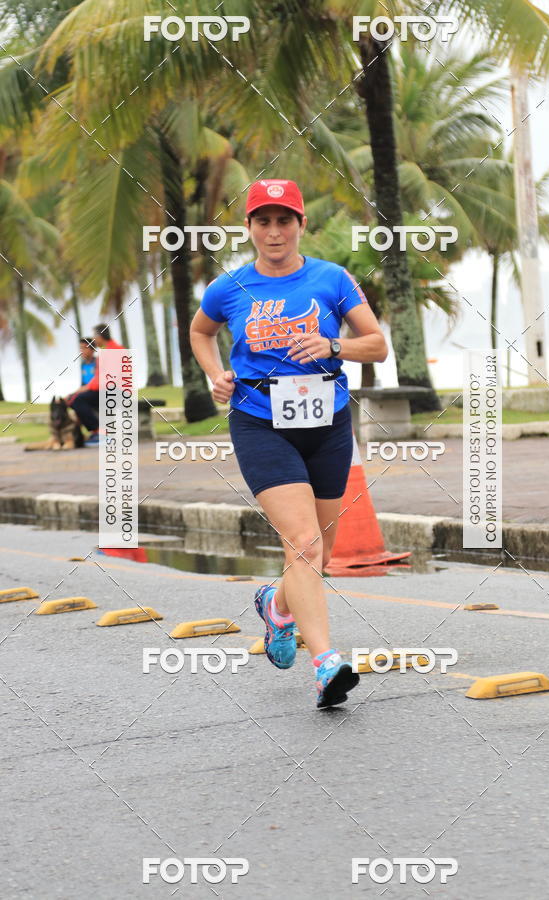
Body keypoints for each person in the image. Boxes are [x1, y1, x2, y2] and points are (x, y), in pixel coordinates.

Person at [190, 179, 388, 708]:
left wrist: (332, 344)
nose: (274, 231)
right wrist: (216, 374)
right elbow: (201, 332)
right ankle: (326, 664)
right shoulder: (229, 287)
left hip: (327, 423)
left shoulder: (332, 278)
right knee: (302, 543)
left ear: (301, 224)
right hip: (260, 422)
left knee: (318, 554)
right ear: (249, 227)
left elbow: (377, 346)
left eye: (284, 220)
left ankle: (277, 607)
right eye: (263, 221)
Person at [67, 324, 124, 445]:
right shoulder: (107, 350)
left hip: (115, 392)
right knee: (75, 399)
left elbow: (109, 379)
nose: (93, 339)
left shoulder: (113, 351)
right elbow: (100, 378)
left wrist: (87, 388)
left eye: (94, 336)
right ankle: (96, 433)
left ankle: (100, 433)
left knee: (77, 400)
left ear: (100, 336)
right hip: (109, 390)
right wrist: (86, 388)